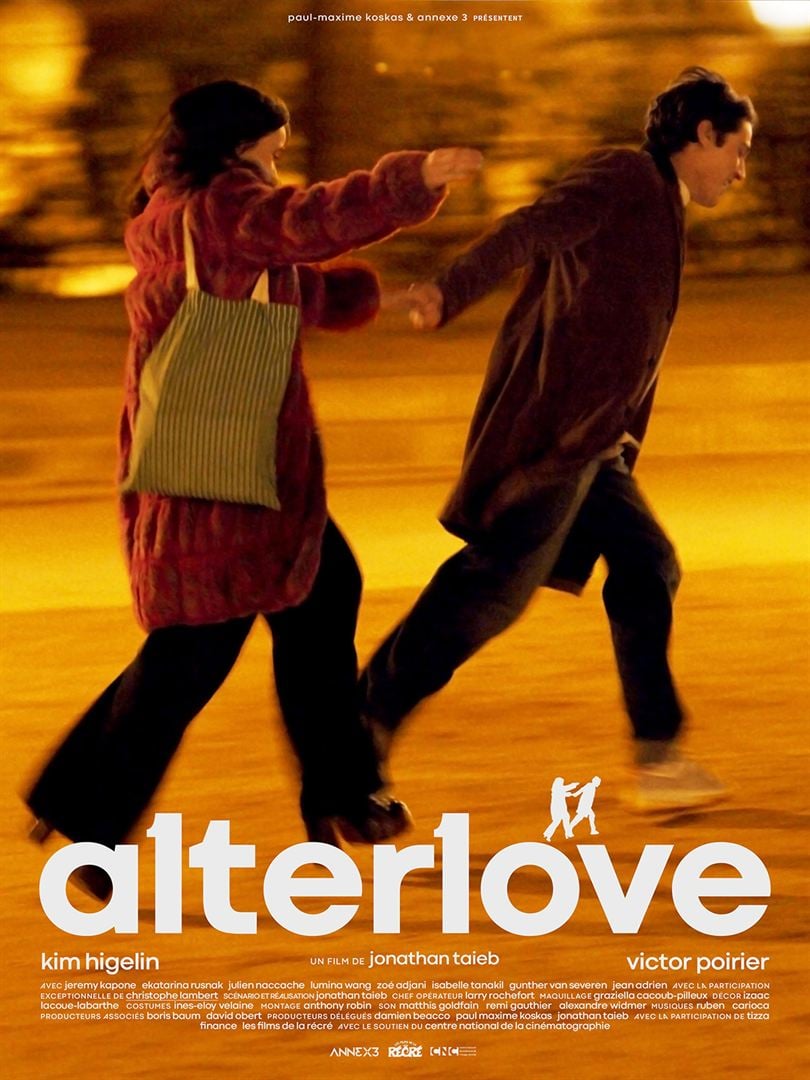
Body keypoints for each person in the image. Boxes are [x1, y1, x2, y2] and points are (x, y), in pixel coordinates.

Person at [25, 80, 482, 895]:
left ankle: (341, 794)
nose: (279, 157)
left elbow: (281, 279)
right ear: (237, 146)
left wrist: (374, 296)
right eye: (273, 144)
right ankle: (92, 814)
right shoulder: (224, 205)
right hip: (230, 475)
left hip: (232, 468)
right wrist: (411, 181)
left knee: (314, 601)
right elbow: (307, 221)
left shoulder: (184, 212)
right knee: (195, 652)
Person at [361, 68, 755, 811]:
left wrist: (623, 437)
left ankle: (659, 756)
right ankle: (359, 727)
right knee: (490, 591)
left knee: (648, 565)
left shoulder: (660, 200)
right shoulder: (624, 175)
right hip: (556, 435)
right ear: (705, 134)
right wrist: (451, 287)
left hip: (595, 441)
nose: (740, 169)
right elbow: (529, 227)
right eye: (739, 149)